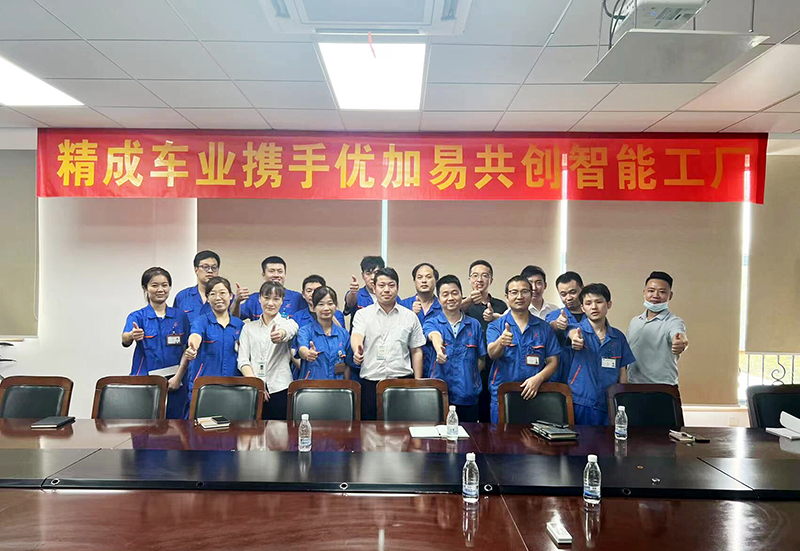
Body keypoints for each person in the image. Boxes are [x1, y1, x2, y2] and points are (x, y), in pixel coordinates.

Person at [351, 267, 426, 420]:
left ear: (397, 287)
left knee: (403, 430)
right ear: (374, 288)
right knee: (370, 430)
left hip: (402, 382)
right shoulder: (363, 314)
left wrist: (417, 383)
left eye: (391, 285)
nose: (386, 290)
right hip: (371, 384)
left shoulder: (410, 316)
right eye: (382, 285)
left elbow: (416, 350)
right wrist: (357, 351)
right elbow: (356, 335)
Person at [487, 276, 561, 423]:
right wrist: (501, 342)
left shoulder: (544, 328)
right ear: (507, 297)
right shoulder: (496, 326)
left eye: (524, 292)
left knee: (534, 436)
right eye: (514, 292)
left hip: (536, 392)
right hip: (503, 393)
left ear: (531, 295)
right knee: (501, 435)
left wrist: (539, 378)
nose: (519, 296)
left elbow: (553, 360)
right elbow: (492, 354)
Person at [122, 267, 193, 419]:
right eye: (154, 285)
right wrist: (132, 335)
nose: (160, 289)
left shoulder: (180, 316)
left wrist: (178, 377)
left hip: (175, 381)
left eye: (164, 285)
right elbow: (125, 339)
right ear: (145, 288)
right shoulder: (138, 316)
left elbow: (186, 349)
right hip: (145, 381)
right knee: (144, 426)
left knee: (176, 427)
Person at [566, 283, 636, 425]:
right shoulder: (577, 331)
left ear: (608, 304)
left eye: (599, 302)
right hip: (580, 402)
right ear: (582, 308)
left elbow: (623, 372)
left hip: (609, 401)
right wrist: (574, 338)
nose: (594, 307)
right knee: (580, 438)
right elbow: (570, 333)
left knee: (608, 439)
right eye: (588, 303)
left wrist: (624, 399)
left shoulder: (618, 337)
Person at [423, 275, 486, 422]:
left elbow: (481, 359)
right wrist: (439, 349)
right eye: (445, 294)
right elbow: (434, 335)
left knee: (469, 435)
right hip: (439, 395)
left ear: (461, 295)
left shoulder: (474, 325)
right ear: (439, 300)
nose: (450, 298)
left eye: (454, 293)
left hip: (468, 395)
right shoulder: (431, 322)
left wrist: (470, 378)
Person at [237, 282, 299, 420]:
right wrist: (257, 385)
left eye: (276, 299)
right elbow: (243, 360)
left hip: (281, 388)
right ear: (259, 298)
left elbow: (289, 331)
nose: (270, 303)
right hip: (254, 389)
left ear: (282, 301)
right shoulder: (248, 328)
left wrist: (280, 334)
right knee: (254, 431)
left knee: (280, 431)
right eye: (266, 298)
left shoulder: (288, 323)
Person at [185, 277, 245, 416]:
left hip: (233, 389)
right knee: (201, 428)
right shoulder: (201, 321)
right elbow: (195, 335)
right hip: (204, 389)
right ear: (207, 298)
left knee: (231, 427)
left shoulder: (239, 325)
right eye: (213, 294)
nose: (218, 298)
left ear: (231, 296)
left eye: (222, 293)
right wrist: (192, 348)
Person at [461, 260, 508, 422]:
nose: (479, 279)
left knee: (491, 414)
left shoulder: (500, 305)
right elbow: (451, 313)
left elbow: (510, 325)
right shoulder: (462, 304)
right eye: (475, 275)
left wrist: (495, 317)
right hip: (470, 365)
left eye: (484, 276)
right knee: (469, 416)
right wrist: (468, 301)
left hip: (495, 365)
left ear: (491, 280)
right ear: (469, 280)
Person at [626, 271, 689, 386]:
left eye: (662, 292)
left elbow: (680, 337)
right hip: (633, 386)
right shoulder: (635, 322)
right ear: (644, 293)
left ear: (670, 295)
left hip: (662, 387)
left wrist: (681, 343)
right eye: (651, 291)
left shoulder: (673, 322)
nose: (655, 295)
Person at [296, 286, 354, 381]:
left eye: (330, 303)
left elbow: (347, 364)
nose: (326, 308)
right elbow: (302, 349)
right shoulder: (305, 331)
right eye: (321, 304)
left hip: (337, 387)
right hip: (311, 387)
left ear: (335, 306)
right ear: (314, 307)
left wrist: (347, 386)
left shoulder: (343, 334)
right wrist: (307, 354)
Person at [399, 262, 442, 377]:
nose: (424, 281)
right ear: (414, 281)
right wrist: (411, 315)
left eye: (428, 277)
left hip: (437, 367)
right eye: (420, 277)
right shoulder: (403, 306)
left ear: (436, 281)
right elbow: (396, 337)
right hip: (408, 368)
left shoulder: (443, 307)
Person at [234, 256, 305, 321]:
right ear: (263, 275)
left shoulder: (297, 298)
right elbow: (234, 319)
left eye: (280, 271)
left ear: (285, 274)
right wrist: (237, 302)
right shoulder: (253, 299)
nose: (276, 275)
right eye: (271, 271)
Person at [544, 271, 585, 383]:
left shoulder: (592, 316)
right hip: (561, 374)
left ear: (582, 289)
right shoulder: (555, 315)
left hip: (586, 374)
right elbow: (549, 327)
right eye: (563, 294)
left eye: (573, 292)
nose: (568, 297)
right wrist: (557, 324)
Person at [173, 250, 220, 324]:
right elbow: (175, 323)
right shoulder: (183, 296)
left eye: (214, 267)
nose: (210, 271)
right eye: (205, 267)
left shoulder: (226, 296)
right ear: (196, 270)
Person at [343, 255, 385, 327]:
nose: (372, 277)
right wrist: (353, 292)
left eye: (376, 273)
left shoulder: (390, 295)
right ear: (363, 276)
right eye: (368, 273)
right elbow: (350, 303)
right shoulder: (357, 294)